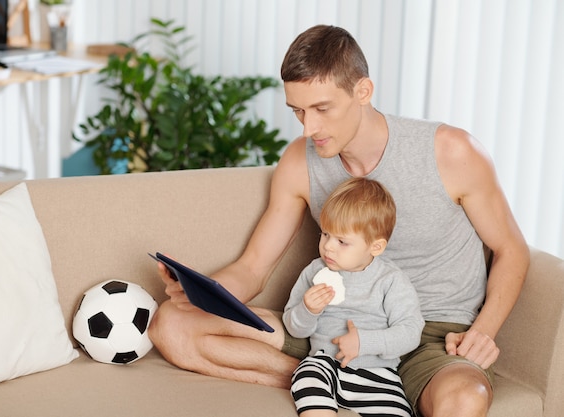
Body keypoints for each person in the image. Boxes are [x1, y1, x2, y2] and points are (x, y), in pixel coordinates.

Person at [148, 24, 529, 417]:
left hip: (433, 334)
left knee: (466, 400)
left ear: (363, 91)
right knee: (171, 324)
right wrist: (203, 293)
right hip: (327, 325)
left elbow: (511, 249)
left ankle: (341, 385)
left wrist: (483, 331)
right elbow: (253, 267)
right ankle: (336, 383)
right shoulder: (299, 161)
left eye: (322, 109)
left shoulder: (453, 151)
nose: (308, 128)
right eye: (298, 111)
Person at [283, 177, 424, 417]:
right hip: (325, 363)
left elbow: (411, 332)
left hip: (377, 374)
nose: (328, 247)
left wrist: (364, 342)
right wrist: (308, 310)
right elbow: (294, 328)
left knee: (398, 411)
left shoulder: (390, 280)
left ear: (375, 247)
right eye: (325, 234)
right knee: (307, 377)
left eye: (342, 241)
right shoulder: (315, 271)